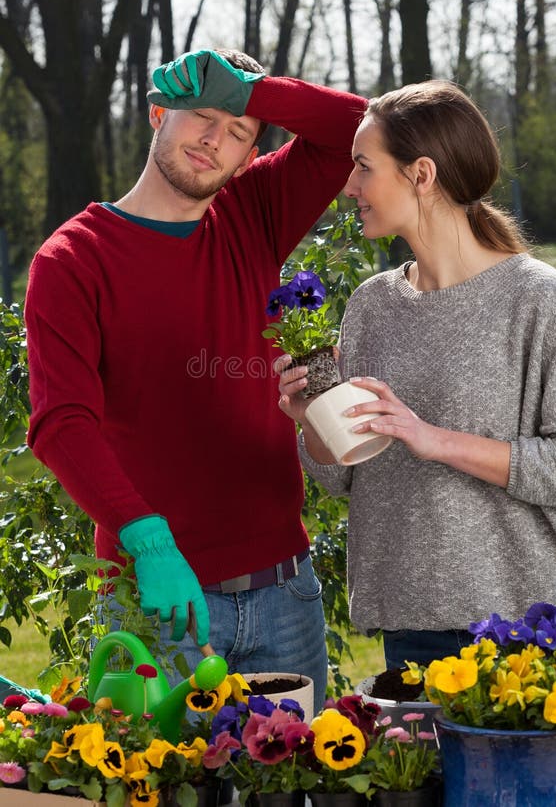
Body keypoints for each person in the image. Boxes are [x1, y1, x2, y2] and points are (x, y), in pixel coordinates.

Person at [25, 47, 367, 710]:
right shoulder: (72, 259)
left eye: (238, 129)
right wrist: (145, 539)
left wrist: (251, 91)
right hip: (158, 606)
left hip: (285, 594)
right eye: (201, 116)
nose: (215, 139)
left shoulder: (254, 211)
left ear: (250, 154)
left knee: (293, 787)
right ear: (158, 112)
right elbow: (61, 422)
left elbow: (355, 127)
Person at [276, 80, 556, 671]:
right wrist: (315, 424)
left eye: (363, 168)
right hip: (413, 627)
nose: (349, 186)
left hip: (530, 631)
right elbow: (343, 479)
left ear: (420, 175)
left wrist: (434, 440)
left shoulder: (535, 298)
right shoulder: (373, 305)